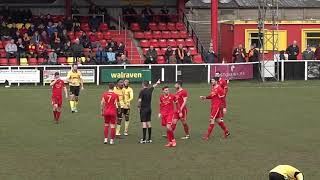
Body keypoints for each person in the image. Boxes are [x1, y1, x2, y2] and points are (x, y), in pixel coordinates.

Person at [138, 79, 161, 143]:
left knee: (144, 123)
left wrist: (138, 107)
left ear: (143, 84)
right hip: (149, 109)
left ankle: (144, 139)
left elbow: (139, 100)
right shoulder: (150, 90)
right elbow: (154, 86)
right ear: (148, 85)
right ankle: (149, 139)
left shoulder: (141, 91)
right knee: (149, 122)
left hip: (143, 109)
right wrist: (157, 82)